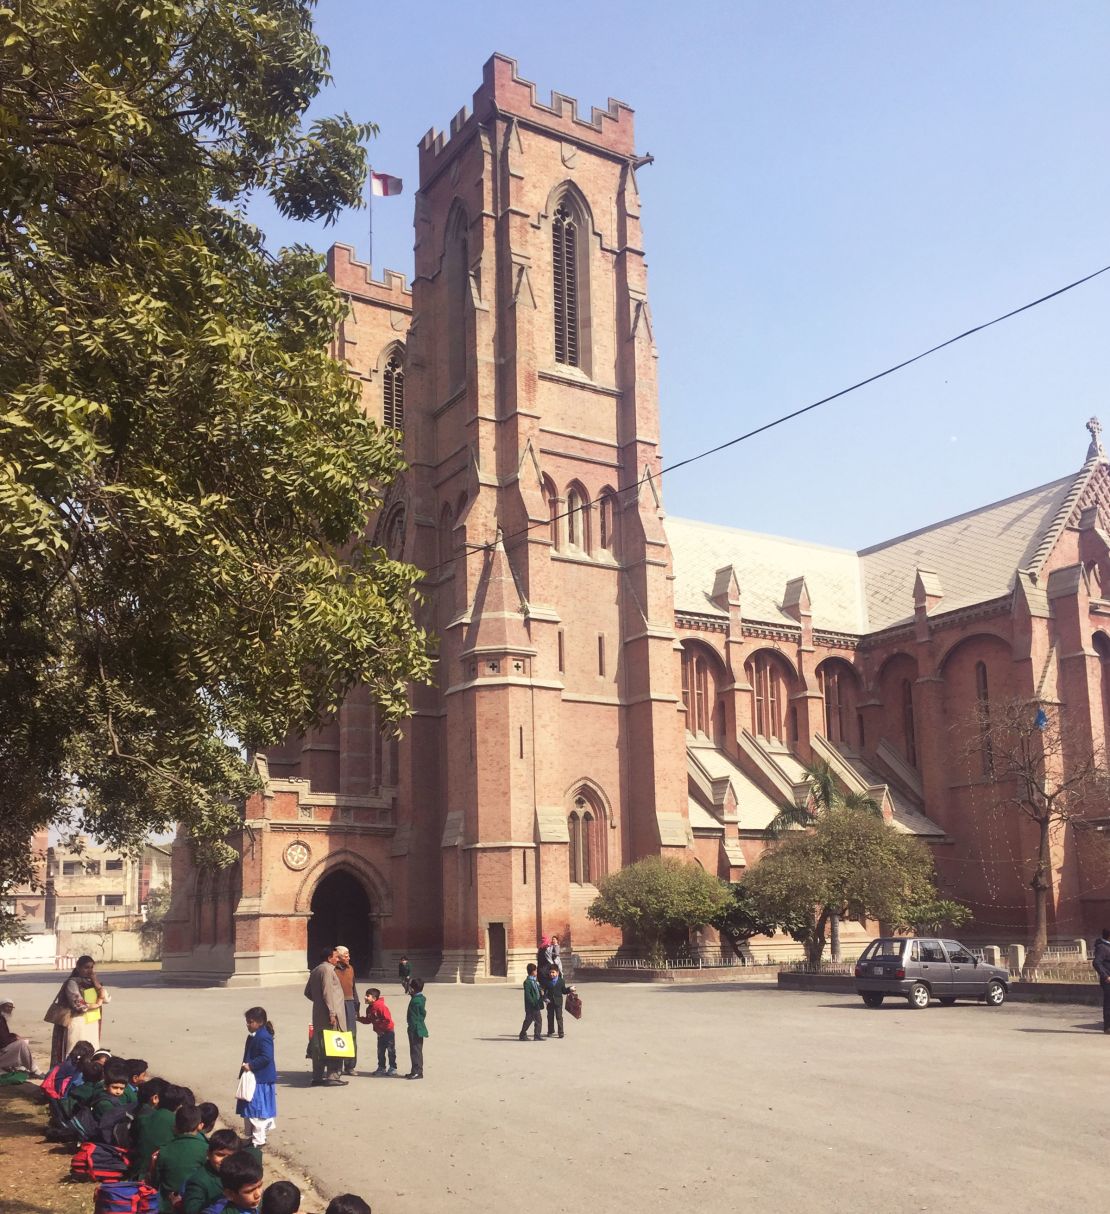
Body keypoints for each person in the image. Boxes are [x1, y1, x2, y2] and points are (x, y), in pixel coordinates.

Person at [46, 955, 107, 1065]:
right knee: (75, 1052)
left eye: (91, 967)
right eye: (86, 967)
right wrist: (98, 1003)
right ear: (78, 968)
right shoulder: (72, 983)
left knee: (91, 1051)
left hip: (91, 1023)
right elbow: (79, 1005)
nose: (89, 970)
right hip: (77, 1023)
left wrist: (96, 982)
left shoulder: (92, 983)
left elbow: (107, 998)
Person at [303, 947, 346, 1087]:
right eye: (335, 956)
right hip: (332, 1015)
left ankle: (317, 1076)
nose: (338, 959)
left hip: (319, 1014)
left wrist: (319, 1004)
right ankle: (333, 1076)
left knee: (319, 1045)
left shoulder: (315, 970)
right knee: (334, 1043)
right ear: (329, 958)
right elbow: (328, 992)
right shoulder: (328, 970)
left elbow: (307, 992)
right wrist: (331, 1012)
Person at [153, 1104, 209, 1213]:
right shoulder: (206, 1149)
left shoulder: (164, 1150)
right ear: (200, 1126)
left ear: (175, 1126)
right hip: (193, 1203)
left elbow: (156, 1179)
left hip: (166, 1205)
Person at [237, 1006, 278, 1146]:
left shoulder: (263, 1037)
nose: (247, 1024)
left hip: (260, 1080)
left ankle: (258, 1140)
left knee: (257, 1111)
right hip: (255, 1078)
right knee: (251, 1110)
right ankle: (253, 1138)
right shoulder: (256, 1035)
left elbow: (267, 1057)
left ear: (259, 1022)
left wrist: (251, 1065)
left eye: (250, 1021)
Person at [182, 1128, 242, 1214]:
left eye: (230, 1156)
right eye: (220, 1155)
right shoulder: (199, 1181)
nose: (225, 1160)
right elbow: (192, 1210)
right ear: (208, 1154)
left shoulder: (240, 1173)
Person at [358, 988, 397, 1076]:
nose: (365, 997)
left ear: (374, 998)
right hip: (380, 1033)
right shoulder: (369, 1009)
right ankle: (381, 1067)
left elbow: (387, 1020)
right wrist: (359, 1019)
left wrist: (381, 1029)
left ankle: (393, 1067)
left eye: (368, 996)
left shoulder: (381, 1007)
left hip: (388, 1032)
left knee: (391, 1050)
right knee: (380, 1051)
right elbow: (368, 1020)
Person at [0, 999, 44, 1076]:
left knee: (20, 1043)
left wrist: (14, 1036)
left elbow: (3, 1035)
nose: (10, 1009)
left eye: (11, 1007)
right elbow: (3, 1040)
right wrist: (15, 1038)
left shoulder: (2, 1018)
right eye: (7, 1006)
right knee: (22, 1044)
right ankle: (35, 1070)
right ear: (1, 1007)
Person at [334, 947, 359, 1076]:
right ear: (338, 957)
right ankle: (337, 1066)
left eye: (348, 955)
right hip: (337, 1004)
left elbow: (354, 988)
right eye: (346, 955)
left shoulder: (351, 969)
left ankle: (350, 1066)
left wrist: (356, 1007)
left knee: (351, 1035)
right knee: (338, 1036)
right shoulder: (332, 970)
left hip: (349, 1003)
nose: (349, 957)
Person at [405, 978, 428, 1080]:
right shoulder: (420, 998)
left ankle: (418, 1072)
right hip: (419, 1027)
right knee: (416, 1050)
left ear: (413, 989)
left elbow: (414, 1017)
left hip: (415, 1029)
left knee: (415, 1051)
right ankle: (415, 1070)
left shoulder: (415, 1001)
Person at [543, 964, 570, 1039]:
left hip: (558, 1002)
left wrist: (569, 989)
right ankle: (550, 1031)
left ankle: (561, 1032)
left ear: (557, 973)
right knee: (550, 1017)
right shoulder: (547, 981)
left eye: (553, 972)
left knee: (559, 1017)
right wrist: (545, 998)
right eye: (550, 972)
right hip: (550, 1002)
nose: (551, 974)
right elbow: (545, 992)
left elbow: (564, 991)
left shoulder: (561, 981)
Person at [519, 963, 544, 1042]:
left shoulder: (535, 981)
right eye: (536, 970)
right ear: (533, 971)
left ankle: (537, 1035)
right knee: (529, 1020)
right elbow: (528, 995)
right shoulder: (527, 982)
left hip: (536, 1004)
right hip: (531, 1006)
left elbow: (538, 989)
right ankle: (523, 1034)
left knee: (538, 1020)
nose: (536, 972)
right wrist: (533, 1003)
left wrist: (541, 992)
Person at [1094, 927, 1110, 1032]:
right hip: (1108, 980)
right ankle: (1108, 1027)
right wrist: (1105, 976)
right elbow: (1096, 962)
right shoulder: (1102, 947)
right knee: (1109, 1003)